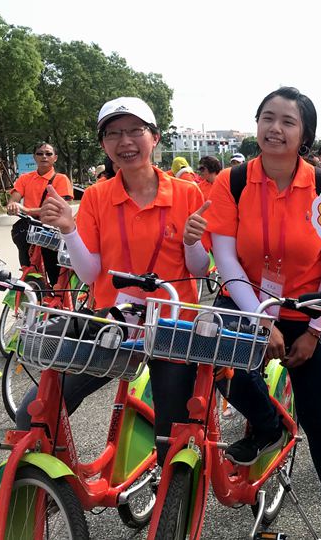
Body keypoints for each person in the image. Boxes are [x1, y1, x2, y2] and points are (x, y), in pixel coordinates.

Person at [30, 97, 211, 467]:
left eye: (134, 131)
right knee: (40, 407)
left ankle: (172, 510)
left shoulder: (187, 193)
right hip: (116, 322)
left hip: (173, 324)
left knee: (170, 440)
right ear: (103, 144)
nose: (125, 142)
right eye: (113, 133)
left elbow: (198, 269)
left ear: (155, 138)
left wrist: (192, 241)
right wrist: (68, 229)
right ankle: (50, 488)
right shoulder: (97, 196)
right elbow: (90, 273)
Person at [205, 87, 321, 539]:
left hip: (310, 306)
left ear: (305, 133)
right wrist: (259, 320)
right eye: (268, 117)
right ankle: (266, 426)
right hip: (247, 298)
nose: (275, 128)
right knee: (212, 355)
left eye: (288, 121)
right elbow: (225, 260)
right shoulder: (231, 181)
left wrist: (315, 329)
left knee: (319, 414)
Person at [6, 142, 74, 289]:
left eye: (48, 154)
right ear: (34, 157)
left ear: (55, 158)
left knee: (54, 269)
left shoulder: (61, 179)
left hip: (52, 228)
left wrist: (28, 210)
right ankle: (29, 280)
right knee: (26, 260)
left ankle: (58, 300)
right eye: (40, 153)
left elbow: (59, 208)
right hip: (30, 226)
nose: (44, 156)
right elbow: (14, 199)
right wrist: (12, 205)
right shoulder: (25, 178)